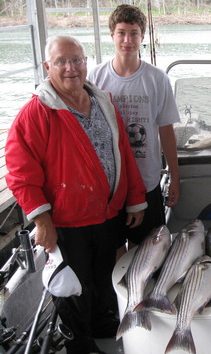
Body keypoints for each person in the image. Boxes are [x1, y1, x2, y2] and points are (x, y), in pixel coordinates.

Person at [5, 35, 148, 354]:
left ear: (87, 62)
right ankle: (79, 345)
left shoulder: (103, 101)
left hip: (107, 214)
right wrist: (42, 220)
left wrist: (135, 198)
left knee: (103, 279)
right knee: (73, 290)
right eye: (61, 62)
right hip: (67, 222)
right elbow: (19, 172)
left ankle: (101, 323)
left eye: (77, 60)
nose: (71, 68)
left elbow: (123, 152)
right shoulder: (36, 113)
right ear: (47, 66)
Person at [88, 4, 180, 258]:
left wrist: (175, 176)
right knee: (114, 251)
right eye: (121, 33)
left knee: (149, 252)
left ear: (142, 37)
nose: (127, 40)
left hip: (147, 179)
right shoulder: (95, 78)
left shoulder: (157, 78)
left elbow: (166, 130)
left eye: (134, 33)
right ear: (112, 35)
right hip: (110, 184)